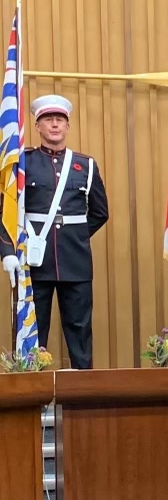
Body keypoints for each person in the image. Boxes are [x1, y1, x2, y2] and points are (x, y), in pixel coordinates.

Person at [0, 94, 109, 369]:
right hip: (35, 263)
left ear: (68, 126)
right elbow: (6, 212)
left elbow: (100, 212)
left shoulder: (86, 165)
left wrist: (76, 236)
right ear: (37, 126)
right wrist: (7, 252)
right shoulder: (22, 164)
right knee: (33, 334)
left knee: (80, 332)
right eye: (48, 120)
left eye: (60, 120)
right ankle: (30, 396)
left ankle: (82, 400)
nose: (55, 125)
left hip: (76, 261)